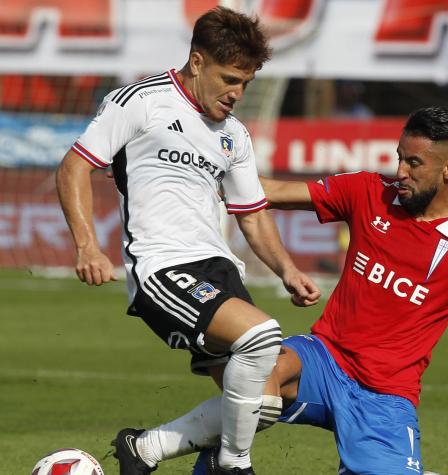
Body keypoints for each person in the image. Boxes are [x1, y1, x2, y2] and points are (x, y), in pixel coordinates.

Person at [133, 106, 448, 474]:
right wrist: (192, 173)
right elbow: (269, 192)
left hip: (386, 396)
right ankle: (152, 451)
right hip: (323, 358)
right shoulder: (369, 192)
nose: (400, 173)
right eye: (399, 158)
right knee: (257, 371)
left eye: (414, 164)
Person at [55, 7, 320, 475]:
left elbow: (252, 214)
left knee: (265, 402)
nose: (237, 93)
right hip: (162, 268)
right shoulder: (140, 101)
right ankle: (233, 467)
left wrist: (286, 269)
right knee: (260, 336)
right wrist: (86, 246)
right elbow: (76, 165)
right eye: (230, 79)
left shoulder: (233, 136)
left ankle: (146, 449)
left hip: (219, 271)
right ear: (197, 62)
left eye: (246, 84)